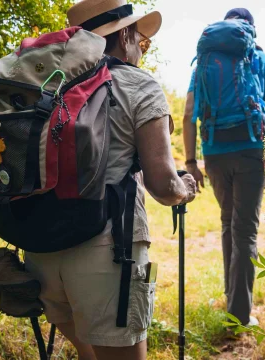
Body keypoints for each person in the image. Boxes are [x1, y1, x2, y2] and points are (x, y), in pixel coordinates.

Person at [24, 1, 197, 359]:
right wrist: (185, 189)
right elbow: (163, 184)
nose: (142, 50)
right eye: (141, 41)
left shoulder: (46, 85)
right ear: (125, 35)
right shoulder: (138, 84)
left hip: (40, 248)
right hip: (107, 256)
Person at [182, 8, 265, 327]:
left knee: (229, 223)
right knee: (246, 231)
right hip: (252, 151)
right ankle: (239, 315)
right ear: (251, 31)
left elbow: (188, 115)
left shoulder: (202, 65)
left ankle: (232, 300)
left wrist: (190, 162)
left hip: (214, 154)